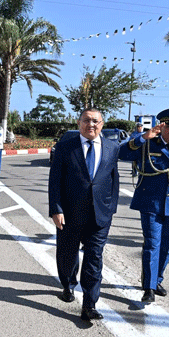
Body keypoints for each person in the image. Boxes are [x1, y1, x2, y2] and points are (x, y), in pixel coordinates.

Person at [119, 108, 169, 303]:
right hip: (150, 202)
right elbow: (122, 153)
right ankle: (148, 287)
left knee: (166, 246)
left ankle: (157, 280)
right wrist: (142, 137)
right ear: (162, 126)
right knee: (152, 243)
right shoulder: (146, 144)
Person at [48, 108, 120, 321]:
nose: (91, 125)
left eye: (96, 121)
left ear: (102, 124)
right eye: (87, 120)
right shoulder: (64, 147)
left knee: (94, 258)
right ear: (79, 123)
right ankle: (68, 284)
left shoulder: (112, 147)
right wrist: (56, 209)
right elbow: (55, 181)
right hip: (69, 214)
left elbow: (113, 180)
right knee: (67, 255)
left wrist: (111, 208)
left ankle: (90, 304)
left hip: (100, 215)